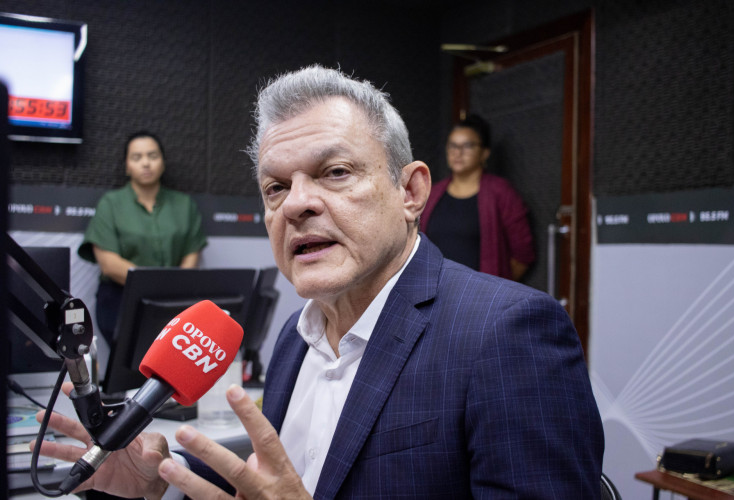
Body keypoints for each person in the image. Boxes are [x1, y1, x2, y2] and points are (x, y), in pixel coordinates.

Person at [38, 66, 603, 499]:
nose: (298, 204)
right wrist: (164, 477)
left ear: (410, 193)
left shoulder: (508, 333)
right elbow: (288, 473)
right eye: (276, 188)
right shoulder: (294, 337)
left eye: (335, 173)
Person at [77, 131, 207, 345]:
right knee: (127, 371)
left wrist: (172, 290)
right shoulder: (110, 204)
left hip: (173, 301)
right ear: (127, 166)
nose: (146, 163)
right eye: (137, 158)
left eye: (153, 156)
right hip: (121, 301)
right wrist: (154, 285)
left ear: (163, 163)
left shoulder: (185, 205)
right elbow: (109, 264)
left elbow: (191, 256)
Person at [420, 115, 535, 281]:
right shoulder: (433, 193)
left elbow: (523, 253)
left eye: (467, 146)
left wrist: (495, 287)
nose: (457, 153)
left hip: (482, 298)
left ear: (484, 153)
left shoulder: (501, 192)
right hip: (435, 293)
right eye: (452, 145)